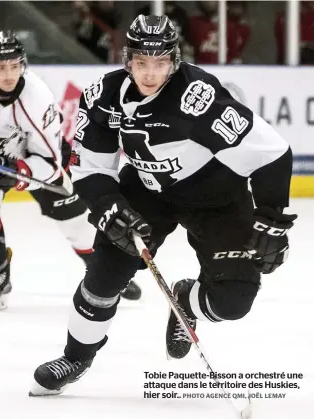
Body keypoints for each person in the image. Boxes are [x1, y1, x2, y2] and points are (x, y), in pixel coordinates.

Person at [30, 15, 296, 396]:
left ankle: (186, 302)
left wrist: (272, 220)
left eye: (160, 62)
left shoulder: (197, 96)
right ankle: (76, 356)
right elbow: (90, 168)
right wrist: (108, 206)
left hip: (217, 195)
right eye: (141, 62)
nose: (150, 73)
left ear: (174, 59)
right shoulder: (103, 97)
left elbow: (272, 154)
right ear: (127, 60)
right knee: (106, 271)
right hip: (146, 190)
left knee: (233, 300)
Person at [0, 30, 140, 312]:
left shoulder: (37, 99)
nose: (9, 75)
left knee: (77, 222)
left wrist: (17, 171)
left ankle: (104, 272)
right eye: (0, 68)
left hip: (39, 159)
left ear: (23, 65)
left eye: (14, 67)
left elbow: (50, 162)